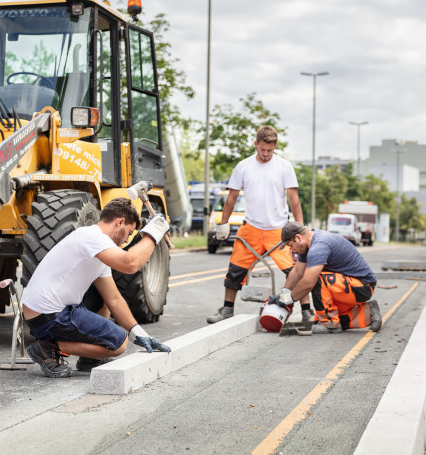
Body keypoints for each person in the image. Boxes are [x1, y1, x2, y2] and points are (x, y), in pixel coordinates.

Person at [21, 197, 171, 378]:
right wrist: (154, 232)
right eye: (129, 233)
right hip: (48, 317)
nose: (126, 240)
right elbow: (131, 263)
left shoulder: (97, 246)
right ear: (120, 222)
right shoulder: (92, 237)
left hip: (48, 311)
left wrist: (139, 332)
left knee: (104, 298)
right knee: (119, 343)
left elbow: (114, 299)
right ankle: (47, 349)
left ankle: (91, 359)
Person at [207, 125, 313, 324]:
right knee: (235, 270)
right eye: (262, 149)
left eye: (269, 150)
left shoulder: (284, 167)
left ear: (275, 147)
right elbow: (231, 198)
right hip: (251, 229)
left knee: (296, 270)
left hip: (279, 231)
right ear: (256, 144)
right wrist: (223, 224)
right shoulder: (243, 166)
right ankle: (227, 309)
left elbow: (294, 199)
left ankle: (307, 310)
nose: (265, 154)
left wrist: (301, 228)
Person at [268, 222, 382, 334]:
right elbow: (297, 272)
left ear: (298, 238)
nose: (291, 250)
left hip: (361, 286)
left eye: (290, 245)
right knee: (329, 317)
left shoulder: (319, 246)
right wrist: (284, 294)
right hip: (348, 286)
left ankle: (328, 324)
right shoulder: (309, 245)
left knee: (316, 279)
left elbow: (308, 282)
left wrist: (289, 299)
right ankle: (369, 312)